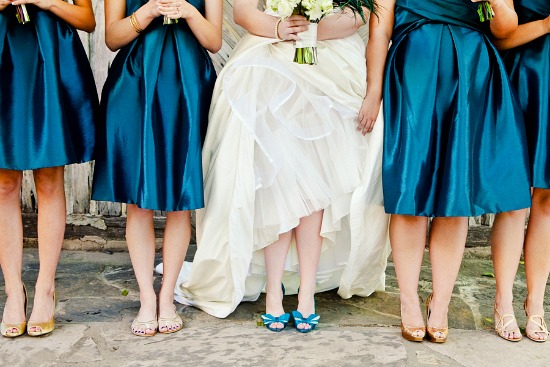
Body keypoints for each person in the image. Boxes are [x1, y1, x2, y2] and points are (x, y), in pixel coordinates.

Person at [156, 0, 390, 332]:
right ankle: (274, 294)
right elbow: (243, 13)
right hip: (270, 64)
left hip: (332, 65)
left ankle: (307, 291)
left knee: (317, 183)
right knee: (277, 180)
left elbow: (360, 13)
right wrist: (281, 27)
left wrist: (312, 27)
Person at [361, 0, 531, 343]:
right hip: (414, 70)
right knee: (411, 187)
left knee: (457, 193)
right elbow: (380, 24)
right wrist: (374, 90)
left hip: (472, 71)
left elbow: (505, 28)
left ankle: (440, 303)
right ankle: (408, 300)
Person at [92, 0, 221, 336]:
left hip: (188, 88)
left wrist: (189, 11)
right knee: (137, 199)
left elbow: (214, 40)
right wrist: (146, 11)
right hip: (136, 83)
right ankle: (146, 298)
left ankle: (167, 297)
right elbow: (112, 37)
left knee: (181, 199)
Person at [0, 0, 97, 337]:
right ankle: (14, 291)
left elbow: (87, 20)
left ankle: (45, 288)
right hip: (3, 54)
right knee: (3, 182)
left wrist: (47, 1)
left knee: (49, 178)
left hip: (50, 57)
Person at [491, 0, 550, 342]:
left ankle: (537, 304)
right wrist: (545, 25)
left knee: (546, 199)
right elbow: (498, 38)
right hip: (522, 81)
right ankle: (503, 302)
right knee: (514, 198)